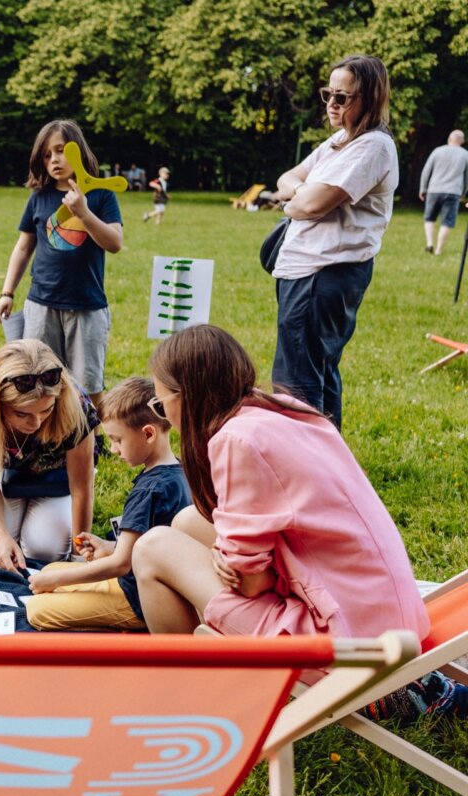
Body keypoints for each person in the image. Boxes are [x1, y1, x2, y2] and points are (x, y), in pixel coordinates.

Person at [129, 324, 428, 643]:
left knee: (151, 548)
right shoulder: (284, 412)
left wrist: (225, 556)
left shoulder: (236, 442)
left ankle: (194, 684)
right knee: (187, 522)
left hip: (349, 637)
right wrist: (228, 555)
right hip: (390, 614)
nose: (164, 417)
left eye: (161, 405)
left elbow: (252, 584)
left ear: (188, 395)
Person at [270, 54, 398, 431]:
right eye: (328, 94)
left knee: (299, 383)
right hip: (308, 270)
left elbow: (310, 204)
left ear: (370, 97)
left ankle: (310, 471)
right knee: (315, 371)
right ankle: (329, 468)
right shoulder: (340, 141)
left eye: (343, 97)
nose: (331, 104)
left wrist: (296, 199)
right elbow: (287, 178)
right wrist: (299, 196)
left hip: (324, 274)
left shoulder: (372, 147)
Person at [25, 377, 190, 631]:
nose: (112, 449)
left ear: (148, 433)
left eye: (117, 440)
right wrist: (110, 546)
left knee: (38, 611)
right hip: (151, 580)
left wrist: (57, 580)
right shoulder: (177, 472)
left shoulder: (150, 489)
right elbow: (147, 547)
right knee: (51, 568)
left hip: (139, 599)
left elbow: (120, 565)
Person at [0, 120, 123, 413]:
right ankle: (45, 442)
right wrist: (7, 292)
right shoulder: (39, 197)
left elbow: (114, 242)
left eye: (62, 151)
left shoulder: (102, 195)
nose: (54, 159)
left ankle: (90, 442)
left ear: (79, 153)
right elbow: (24, 247)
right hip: (42, 305)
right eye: (46, 154)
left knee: (88, 386)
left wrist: (84, 213)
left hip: (87, 306)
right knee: (39, 380)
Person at [0, 340, 97, 572]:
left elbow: (82, 489)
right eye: (22, 414)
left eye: (47, 410)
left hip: (58, 481)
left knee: (46, 550)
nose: (36, 423)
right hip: (5, 478)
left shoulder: (76, 407)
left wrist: (79, 558)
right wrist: (1, 537)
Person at [419, 130, 468, 255]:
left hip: (434, 189)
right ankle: (439, 250)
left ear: (449, 139)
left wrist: (423, 189)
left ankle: (429, 244)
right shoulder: (465, 155)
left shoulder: (438, 151)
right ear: (462, 141)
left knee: (429, 217)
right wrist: (463, 193)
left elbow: (426, 171)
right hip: (453, 191)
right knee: (447, 221)